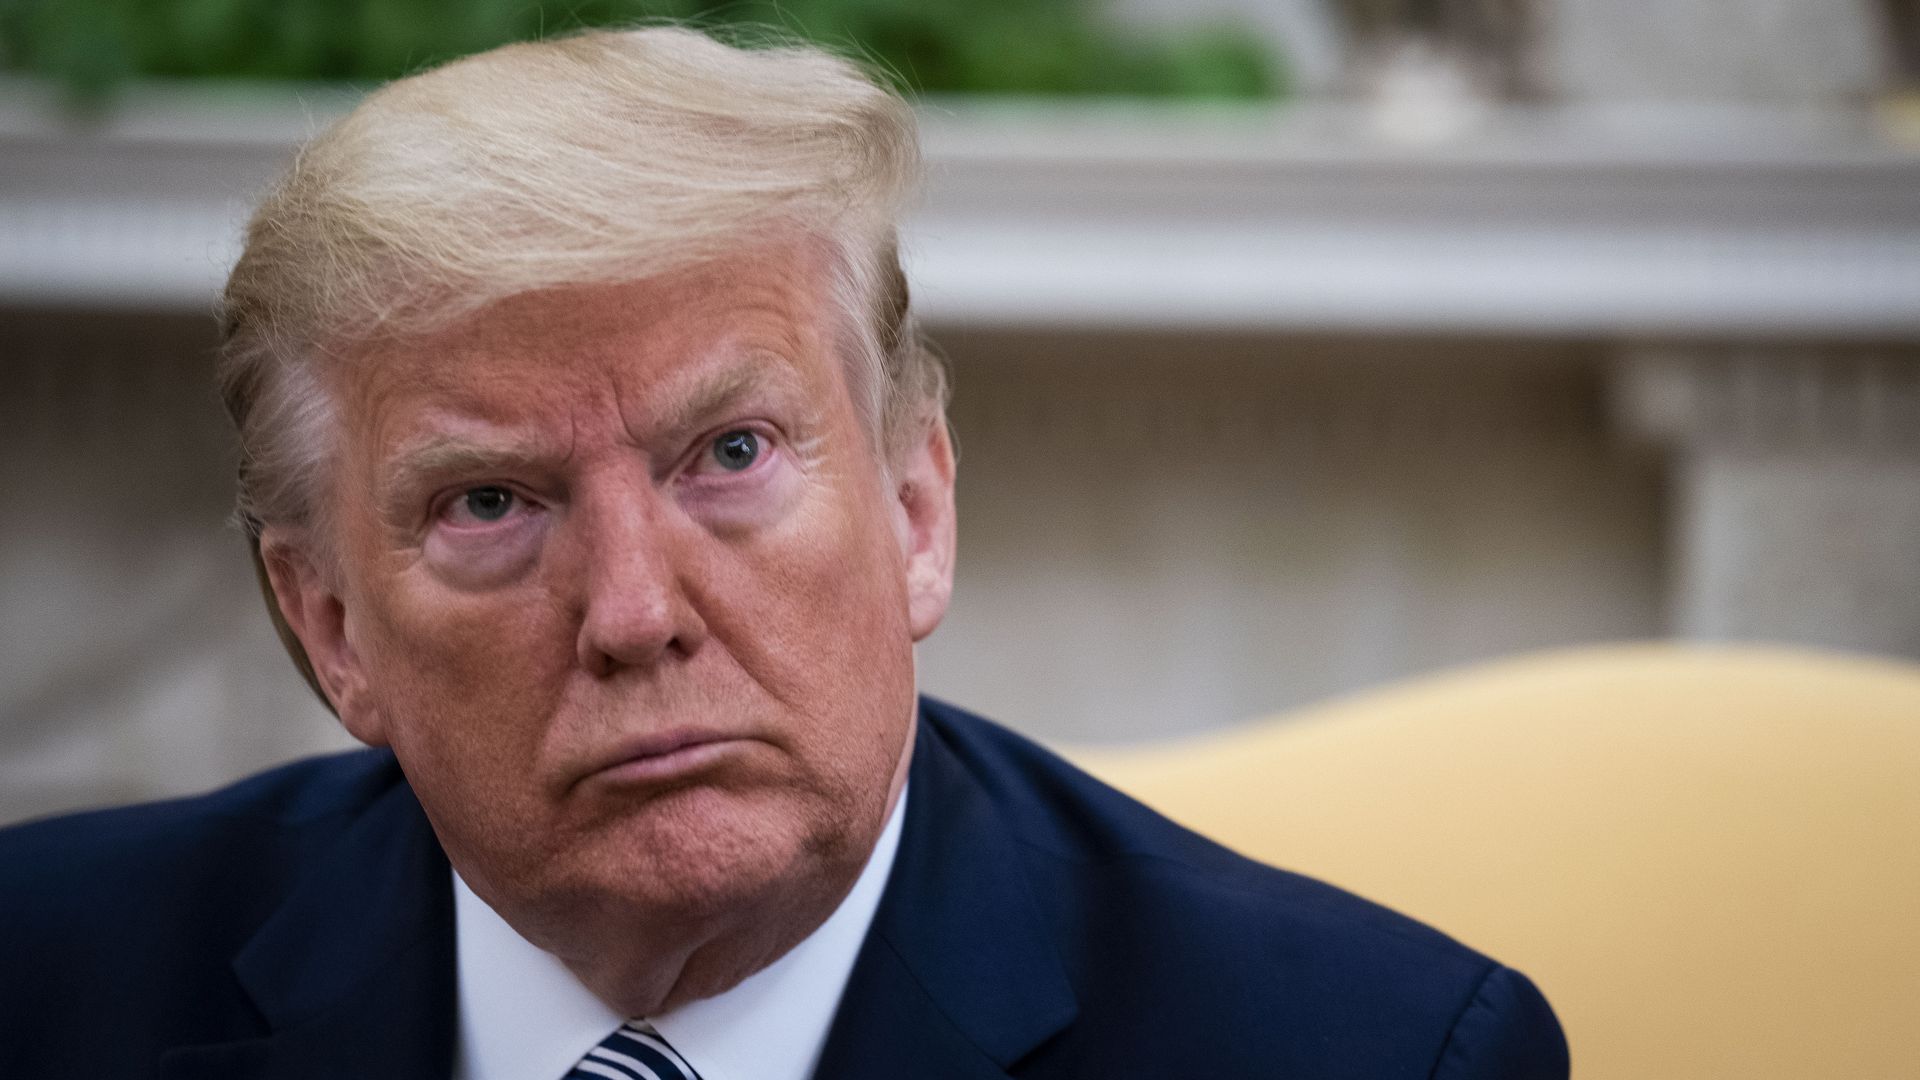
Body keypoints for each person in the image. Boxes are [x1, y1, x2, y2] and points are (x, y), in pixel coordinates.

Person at [0, 27, 1567, 1080]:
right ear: (331, 625)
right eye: (489, 503)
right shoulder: (46, 988)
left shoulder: (1368, 1051)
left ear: (914, 511)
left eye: (730, 456)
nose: (633, 612)